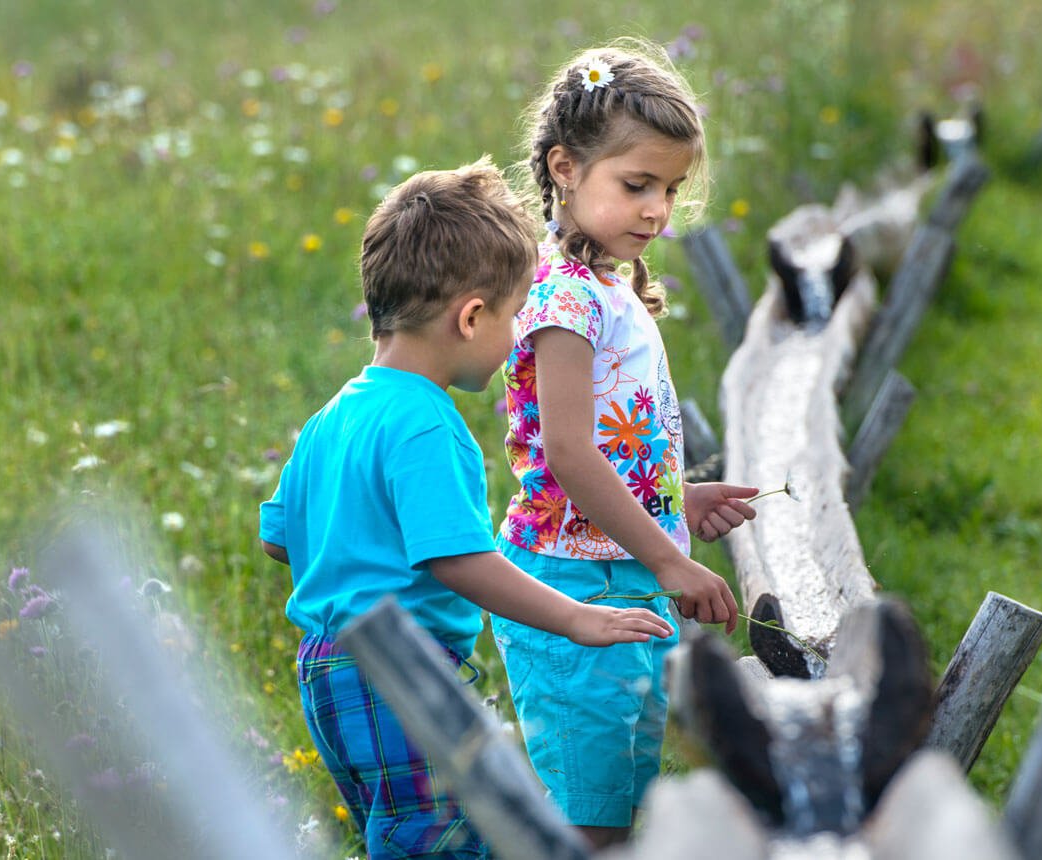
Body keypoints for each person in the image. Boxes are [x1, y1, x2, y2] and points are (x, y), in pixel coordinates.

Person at [258, 158, 674, 859]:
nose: (517, 337)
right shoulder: (426, 423)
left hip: (326, 669)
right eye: (512, 317)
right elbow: (457, 560)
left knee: (400, 831)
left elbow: (278, 538)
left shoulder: (336, 413)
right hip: (401, 671)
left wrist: (352, 554)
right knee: (442, 844)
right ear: (472, 316)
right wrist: (575, 616)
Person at [493, 43, 759, 847]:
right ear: (565, 168)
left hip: (619, 565)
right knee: (590, 812)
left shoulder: (607, 281)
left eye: (670, 190)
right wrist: (674, 559)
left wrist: (679, 498)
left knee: (620, 785)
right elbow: (570, 455)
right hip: (577, 581)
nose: (657, 210)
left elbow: (611, 444)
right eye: (636, 185)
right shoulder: (561, 295)